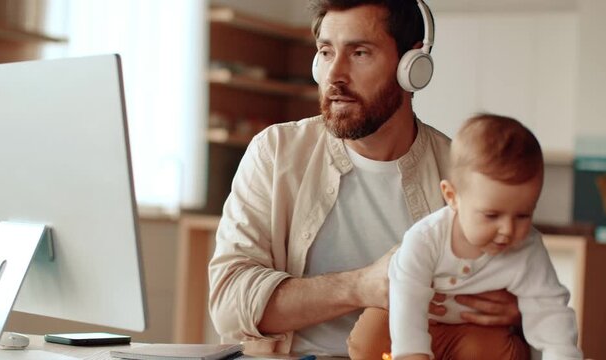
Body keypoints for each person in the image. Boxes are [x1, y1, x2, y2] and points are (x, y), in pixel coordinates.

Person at [209, 0, 525, 356]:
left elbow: (521, 286)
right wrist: (360, 286)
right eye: (326, 53)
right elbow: (229, 304)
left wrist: (519, 313)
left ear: (412, 66)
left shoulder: (462, 173)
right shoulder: (276, 152)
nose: (334, 76)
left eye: (359, 53)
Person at [349, 114, 584, 360]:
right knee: (369, 339)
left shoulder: (528, 250)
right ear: (452, 196)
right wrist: (411, 354)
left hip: (471, 330)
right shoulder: (425, 239)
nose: (507, 230)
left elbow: (549, 312)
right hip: (414, 318)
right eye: (491, 215)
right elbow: (407, 300)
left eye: (523, 215)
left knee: (497, 352)